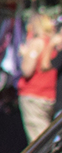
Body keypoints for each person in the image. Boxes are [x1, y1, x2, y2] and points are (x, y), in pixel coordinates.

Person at [17, 12, 57, 143]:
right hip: (50, 95)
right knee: (46, 134)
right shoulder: (54, 43)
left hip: (34, 95)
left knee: (39, 141)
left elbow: (27, 70)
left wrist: (25, 55)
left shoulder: (37, 42)